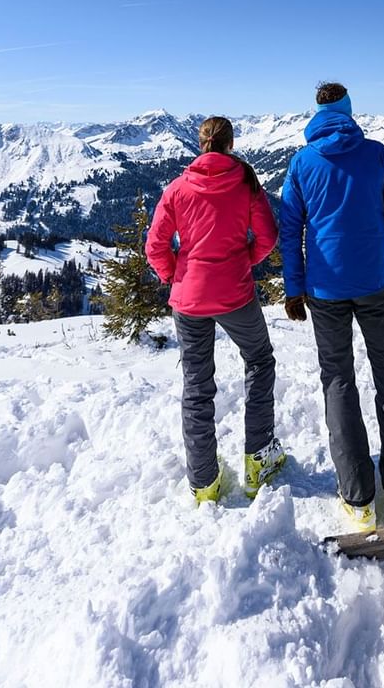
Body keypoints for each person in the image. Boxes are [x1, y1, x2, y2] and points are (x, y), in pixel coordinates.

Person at [278, 82, 384, 533]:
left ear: (316, 113)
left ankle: (358, 499)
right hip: (377, 281)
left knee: (338, 380)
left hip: (324, 289)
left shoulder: (302, 162)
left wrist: (294, 289)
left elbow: (290, 230)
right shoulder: (377, 155)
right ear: (350, 111)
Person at [146, 115, 285, 505]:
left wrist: (178, 275)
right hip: (235, 293)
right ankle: (258, 463)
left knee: (197, 385)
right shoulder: (245, 184)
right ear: (231, 144)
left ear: (201, 143)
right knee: (259, 360)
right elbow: (268, 237)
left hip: (189, 300)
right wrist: (244, 260)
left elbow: (155, 246)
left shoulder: (176, 188)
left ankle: (204, 483)